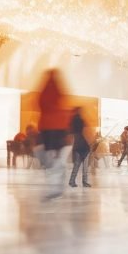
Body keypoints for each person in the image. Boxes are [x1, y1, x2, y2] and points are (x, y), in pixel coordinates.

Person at [37, 69, 71, 198]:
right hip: (58, 128)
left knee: (50, 156)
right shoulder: (58, 89)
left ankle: (54, 184)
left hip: (48, 128)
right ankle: (57, 184)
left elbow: (39, 103)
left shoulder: (45, 90)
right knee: (57, 157)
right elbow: (63, 100)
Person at [68, 107, 91, 188]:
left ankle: (71, 181)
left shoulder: (71, 123)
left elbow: (70, 137)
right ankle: (84, 182)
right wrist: (89, 143)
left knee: (76, 165)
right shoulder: (81, 121)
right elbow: (86, 133)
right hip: (84, 146)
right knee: (85, 165)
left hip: (77, 146)